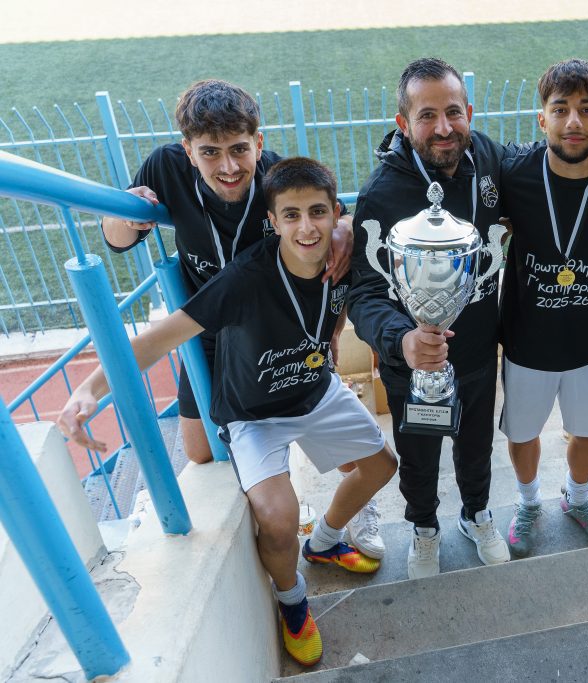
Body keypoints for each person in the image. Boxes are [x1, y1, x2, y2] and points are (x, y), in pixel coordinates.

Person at [60, 157, 397, 667]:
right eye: (291, 215)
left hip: (315, 388)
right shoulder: (244, 278)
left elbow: (341, 304)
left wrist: (330, 335)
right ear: (272, 221)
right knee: (278, 519)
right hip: (254, 414)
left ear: (336, 214)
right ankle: (292, 601)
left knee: (382, 465)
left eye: (318, 212)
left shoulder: (345, 259)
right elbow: (159, 339)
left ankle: (325, 542)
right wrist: (90, 387)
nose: (307, 228)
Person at [350, 58, 588, 578]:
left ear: (470, 112)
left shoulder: (487, 156)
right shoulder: (381, 193)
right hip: (411, 364)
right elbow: (365, 291)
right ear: (403, 123)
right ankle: (424, 527)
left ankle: (476, 515)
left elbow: (552, 155)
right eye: (427, 116)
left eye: (453, 112)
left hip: (479, 352)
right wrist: (401, 339)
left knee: (476, 448)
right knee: (419, 457)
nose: (443, 128)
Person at [97, 80, 383, 561]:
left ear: (258, 143)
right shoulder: (164, 167)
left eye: (238, 150)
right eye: (211, 152)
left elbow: (337, 221)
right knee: (200, 451)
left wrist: (344, 229)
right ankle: (272, 477)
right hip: (208, 328)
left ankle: (355, 505)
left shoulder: (277, 178)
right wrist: (128, 215)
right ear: (188, 150)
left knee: (333, 427)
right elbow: (116, 239)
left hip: (278, 328)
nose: (228, 167)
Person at [498, 58, 588, 557]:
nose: (574, 122)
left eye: (587, 109)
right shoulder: (513, 174)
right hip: (527, 341)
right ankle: (527, 503)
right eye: (561, 110)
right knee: (523, 433)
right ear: (543, 119)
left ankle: (578, 498)